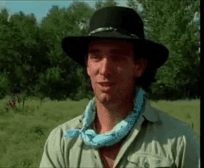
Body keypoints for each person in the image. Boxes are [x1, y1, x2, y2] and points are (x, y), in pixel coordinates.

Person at [40, 6, 200, 168]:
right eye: (96, 57)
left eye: (117, 58)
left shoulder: (179, 141)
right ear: (87, 66)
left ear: (139, 66)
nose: (104, 70)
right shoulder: (62, 142)